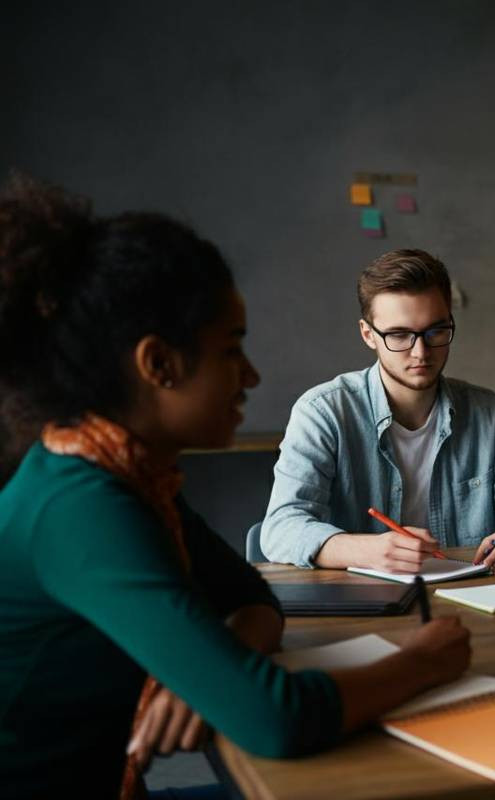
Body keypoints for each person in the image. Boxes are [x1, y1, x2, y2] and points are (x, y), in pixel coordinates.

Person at [0, 176, 471, 798]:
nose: (250, 376)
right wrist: (426, 661)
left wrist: (195, 672)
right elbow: (275, 718)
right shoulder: (82, 506)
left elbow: (254, 600)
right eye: (231, 349)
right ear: (158, 365)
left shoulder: (128, 474)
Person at [260, 249, 495, 577]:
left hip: (466, 593)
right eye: (399, 335)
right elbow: (281, 528)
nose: (421, 352)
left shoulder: (485, 411)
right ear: (368, 335)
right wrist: (369, 550)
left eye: (435, 331)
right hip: (364, 600)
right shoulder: (323, 412)